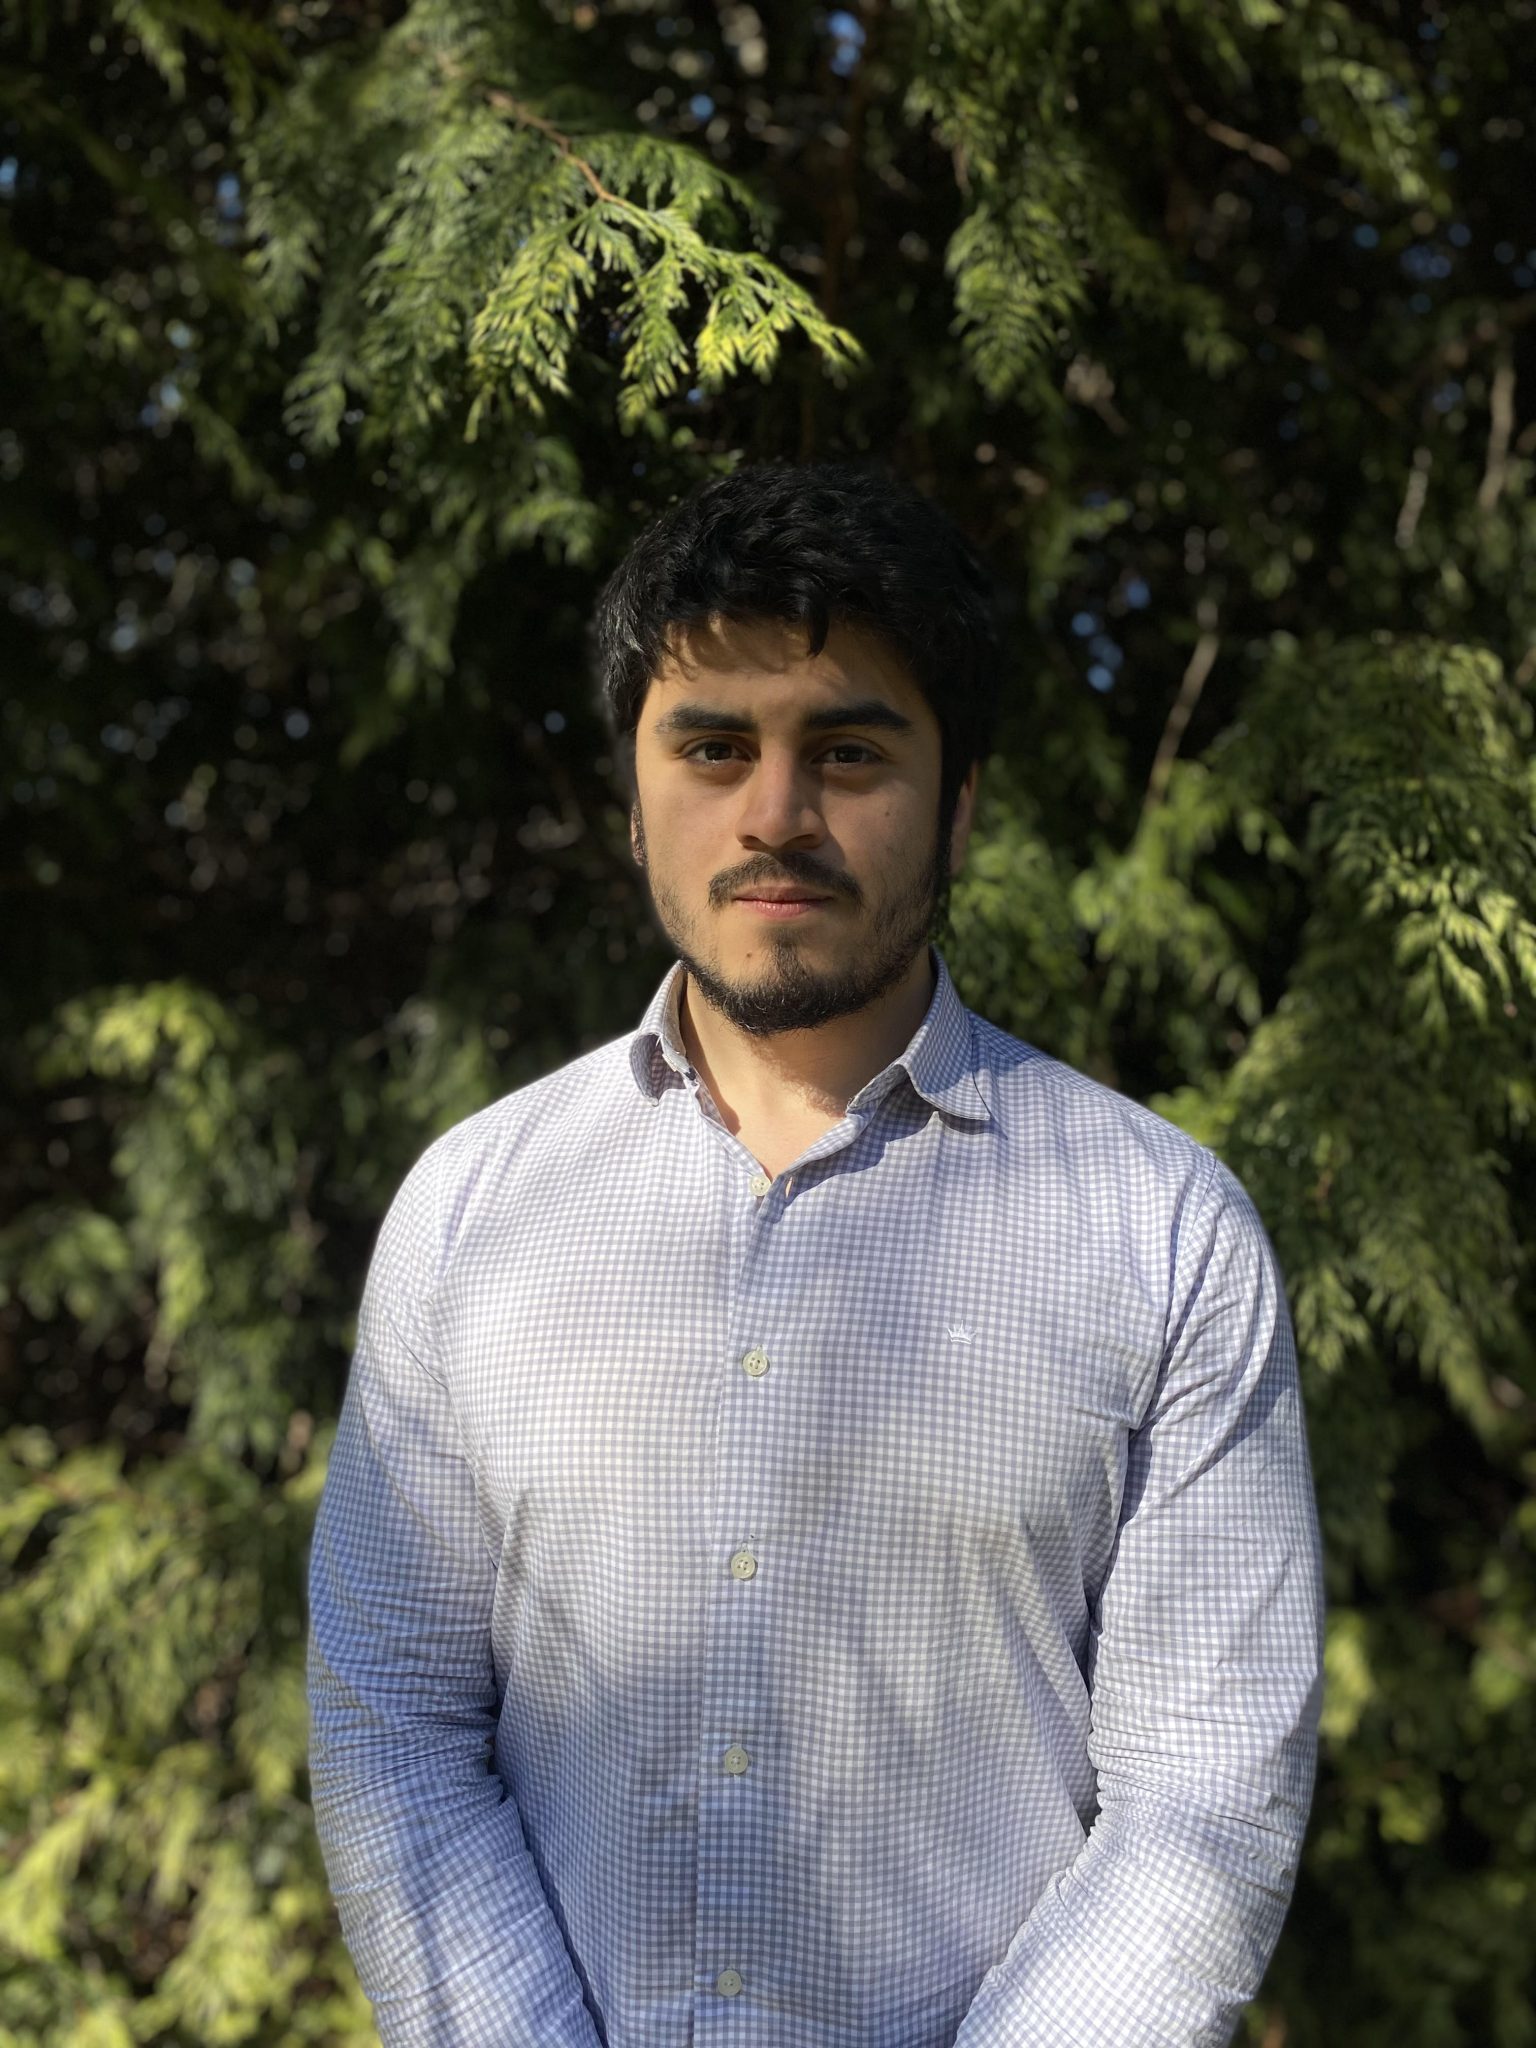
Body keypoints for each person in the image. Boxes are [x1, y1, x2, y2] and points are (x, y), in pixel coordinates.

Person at [306, 459, 1326, 2047]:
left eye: (847, 752)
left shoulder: (1164, 1232)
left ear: (960, 802)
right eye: (713, 748)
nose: (775, 814)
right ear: (633, 792)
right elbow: (398, 1730)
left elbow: (1202, 1804)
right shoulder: (472, 1212)